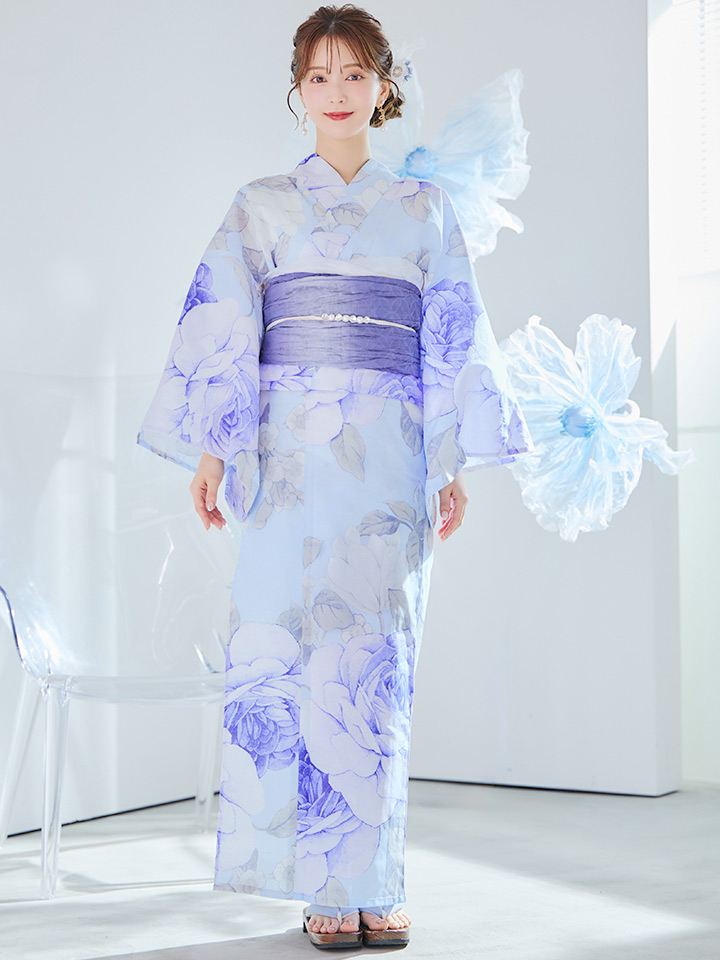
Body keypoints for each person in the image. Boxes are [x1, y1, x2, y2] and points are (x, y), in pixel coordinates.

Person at [137, 3, 533, 949]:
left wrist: (451, 464)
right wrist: (213, 449)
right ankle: (322, 886)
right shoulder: (260, 204)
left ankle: (375, 880)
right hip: (285, 463)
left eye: (355, 73)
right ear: (298, 91)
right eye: (319, 76)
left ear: (384, 86)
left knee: (376, 666)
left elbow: (448, 337)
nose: (337, 92)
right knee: (290, 656)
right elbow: (225, 328)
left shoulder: (423, 210)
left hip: (387, 461)